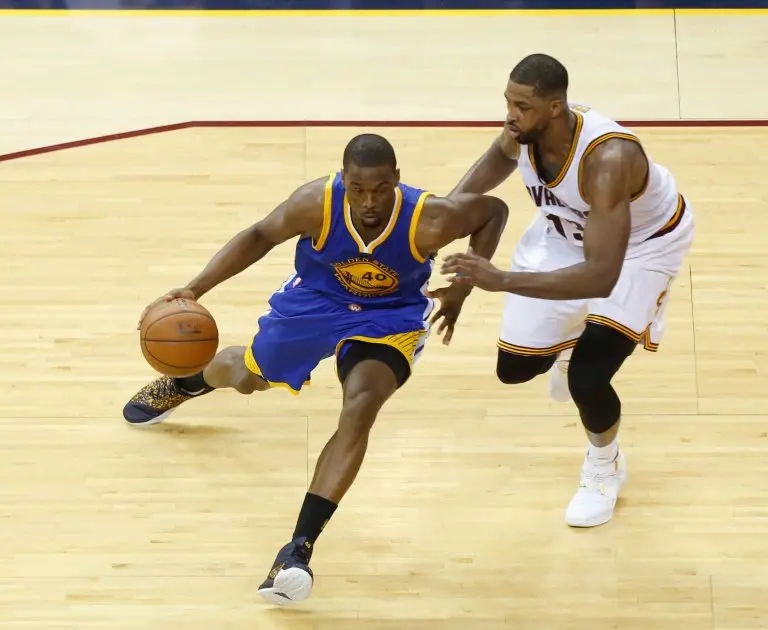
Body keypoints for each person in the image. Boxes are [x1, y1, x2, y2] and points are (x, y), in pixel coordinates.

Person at [122, 133, 509, 605]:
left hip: (390, 318)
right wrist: (195, 289)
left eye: (382, 189)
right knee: (246, 377)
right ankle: (188, 382)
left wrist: (463, 286)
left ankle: (297, 549)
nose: (370, 201)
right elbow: (259, 235)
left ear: (397, 182)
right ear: (344, 181)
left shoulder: (431, 218)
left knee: (362, 403)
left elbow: (493, 211)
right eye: (360, 189)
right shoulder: (316, 202)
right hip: (314, 302)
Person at [441, 53, 694, 529]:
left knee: (587, 376)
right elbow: (499, 156)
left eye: (522, 105)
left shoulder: (609, 159)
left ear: (555, 107)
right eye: (508, 102)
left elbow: (602, 275)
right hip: (566, 232)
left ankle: (605, 467)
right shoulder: (525, 131)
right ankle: (572, 336)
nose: (510, 114)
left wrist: (497, 280)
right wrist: (445, 215)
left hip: (640, 248)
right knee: (513, 370)